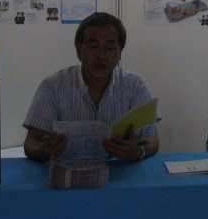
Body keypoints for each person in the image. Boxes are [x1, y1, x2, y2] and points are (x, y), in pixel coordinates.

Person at [22, 12, 160, 163]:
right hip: (67, 169)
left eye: (110, 47)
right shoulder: (53, 86)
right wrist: (47, 150)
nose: (101, 55)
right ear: (78, 50)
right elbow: (31, 143)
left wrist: (138, 151)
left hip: (118, 170)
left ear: (120, 53)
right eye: (93, 46)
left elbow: (152, 140)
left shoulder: (135, 85)